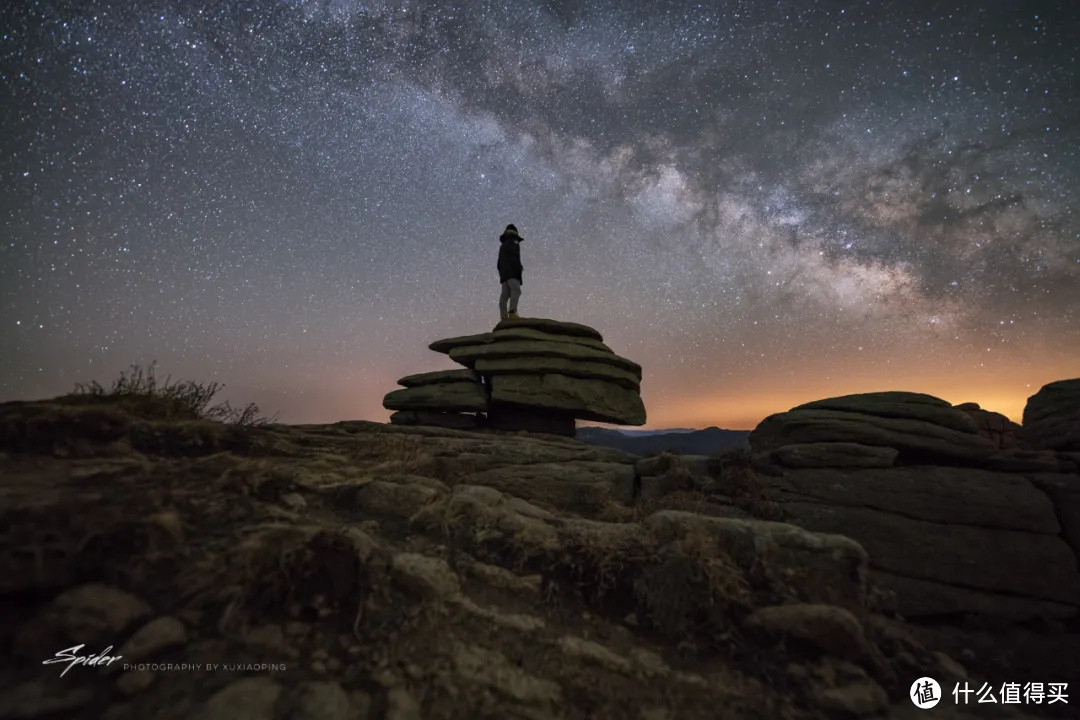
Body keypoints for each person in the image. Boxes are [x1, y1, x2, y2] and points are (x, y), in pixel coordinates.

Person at [497, 223, 524, 321]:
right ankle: (512, 312)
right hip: (512, 273)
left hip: (504, 275)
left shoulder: (503, 246)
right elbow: (515, 260)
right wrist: (518, 275)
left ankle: (504, 317)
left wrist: (502, 274)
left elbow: (499, 264)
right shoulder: (514, 243)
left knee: (505, 295)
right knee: (516, 290)